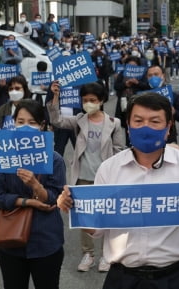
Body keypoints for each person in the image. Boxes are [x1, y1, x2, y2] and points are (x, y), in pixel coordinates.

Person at [56, 92, 179, 289]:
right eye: (138, 120)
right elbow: (98, 229)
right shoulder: (109, 169)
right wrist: (77, 210)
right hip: (123, 278)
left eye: (154, 121)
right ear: (128, 126)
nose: (146, 127)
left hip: (174, 277)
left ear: (168, 128)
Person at [47, 81, 124, 272]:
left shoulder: (114, 123)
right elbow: (57, 121)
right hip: (82, 177)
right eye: (85, 100)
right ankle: (88, 254)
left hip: (105, 178)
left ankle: (107, 254)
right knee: (85, 218)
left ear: (101, 101)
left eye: (93, 100)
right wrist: (55, 96)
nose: (88, 103)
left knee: (106, 216)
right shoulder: (79, 120)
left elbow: (120, 150)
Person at [0, 99, 66, 289]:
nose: (25, 127)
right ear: (13, 123)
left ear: (42, 126)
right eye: (20, 121)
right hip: (11, 242)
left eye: (32, 123)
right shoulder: (5, 156)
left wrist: (35, 185)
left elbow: (56, 200)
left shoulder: (54, 159)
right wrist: (27, 202)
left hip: (46, 241)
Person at [145, 65, 179, 143]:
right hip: (149, 136)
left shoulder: (173, 95)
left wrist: (174, 112)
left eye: (156, 74)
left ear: (163, 76)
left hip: (169, 137)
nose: (153, 77)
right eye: (150, 75)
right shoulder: (142, 96)